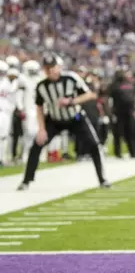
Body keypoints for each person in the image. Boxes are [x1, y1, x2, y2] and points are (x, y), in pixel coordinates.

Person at [17, 53, 110, 191]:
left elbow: (90, 94)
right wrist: (41, 129)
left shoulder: (70, 78)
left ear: (58, 67)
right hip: (54, 120)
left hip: (75, 118)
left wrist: (72, 101)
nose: (50, 71)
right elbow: (39, 107)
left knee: (94, 145)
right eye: (47, 68)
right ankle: (26, 180)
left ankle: (102, 179)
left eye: (52, 67)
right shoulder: (42, 86)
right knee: (36, 146)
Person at [109, 69, 135, 158]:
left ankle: (132, 152)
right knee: (118, 133)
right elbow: (110, 100)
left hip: (129, 112)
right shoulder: (113, 86)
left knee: (130, 132)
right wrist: (111, 112)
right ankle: (118, 153)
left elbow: (134, 97)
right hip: (118, 112)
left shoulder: (130, 84)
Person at [20, 60, 42, 163]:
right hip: (28, 108)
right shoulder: (22, 79)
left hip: (37, 109)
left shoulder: (40, 79)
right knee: (28, 132)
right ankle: (25, 154)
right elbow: (20, 96)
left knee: (37, 132)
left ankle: (37, 155)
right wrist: (21, 108)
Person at [0, 61, 16, 168]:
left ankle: (1, 158)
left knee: (4, 136)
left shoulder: (8, 83)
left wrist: (10, 110)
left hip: (4, 112)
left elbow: (12, 99)